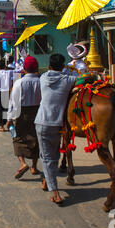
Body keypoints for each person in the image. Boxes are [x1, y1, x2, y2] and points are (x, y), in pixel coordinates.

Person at [35, 54, 76, 205]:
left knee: (48, 156)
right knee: (51, 156)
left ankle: (48, 183)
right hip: (57, 124)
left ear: (50, 66)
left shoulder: (43, 78)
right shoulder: (68, 80)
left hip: (42, 122)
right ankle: (55, 191)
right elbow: (86, 78)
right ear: (63, 66)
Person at [7, 56, 41, 179]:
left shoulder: (19, 83)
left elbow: (13, 103)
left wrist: (9, 119)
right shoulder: (41, 82)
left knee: (17, 138)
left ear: (24, 69)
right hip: (37, 113)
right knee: (36, 140)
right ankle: (34, 166)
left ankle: (23, 163)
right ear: (36, 68)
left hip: (21, 114)